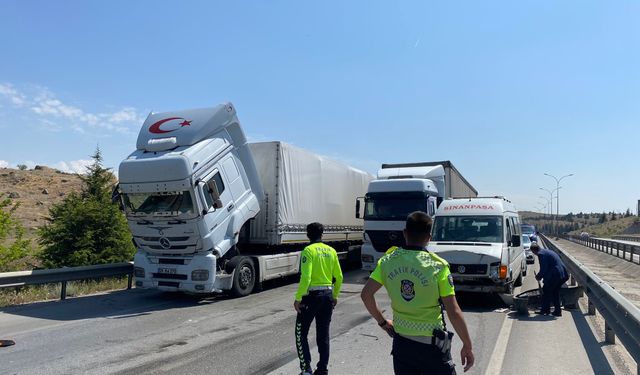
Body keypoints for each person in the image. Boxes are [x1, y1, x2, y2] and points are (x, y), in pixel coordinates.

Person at [361, 211, 475, 374]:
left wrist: (383, 323)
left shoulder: (387, 261)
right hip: (432, 347)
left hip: (402, 345)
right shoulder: (438, 266)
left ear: (405, 233)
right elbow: (453, 311)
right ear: (429, 237)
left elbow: (366, 295)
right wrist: (467, 345)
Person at [294, 222, 344, 375]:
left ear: (308, 235)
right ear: (322, 234)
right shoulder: (331, 251)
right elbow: (339, 276)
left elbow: (306, 277)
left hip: (311, 297)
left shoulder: (308, 251)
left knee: (300, 333)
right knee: (323, 334)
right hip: (328, 296)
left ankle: (306, 370)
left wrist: (298, 298)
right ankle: (322, 369)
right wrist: (335, 296)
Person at [531, 242, 569, 317]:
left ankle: (545, 310)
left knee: (546, 290)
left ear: (534, 251)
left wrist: (538, 276)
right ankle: (557, 311)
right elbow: (548, 268)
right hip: (563, 274)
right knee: (554, 292)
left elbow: (544, 269)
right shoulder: (547, 251)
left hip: (556, 275)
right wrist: (544, 279)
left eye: (533, 252)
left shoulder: (541, 254)